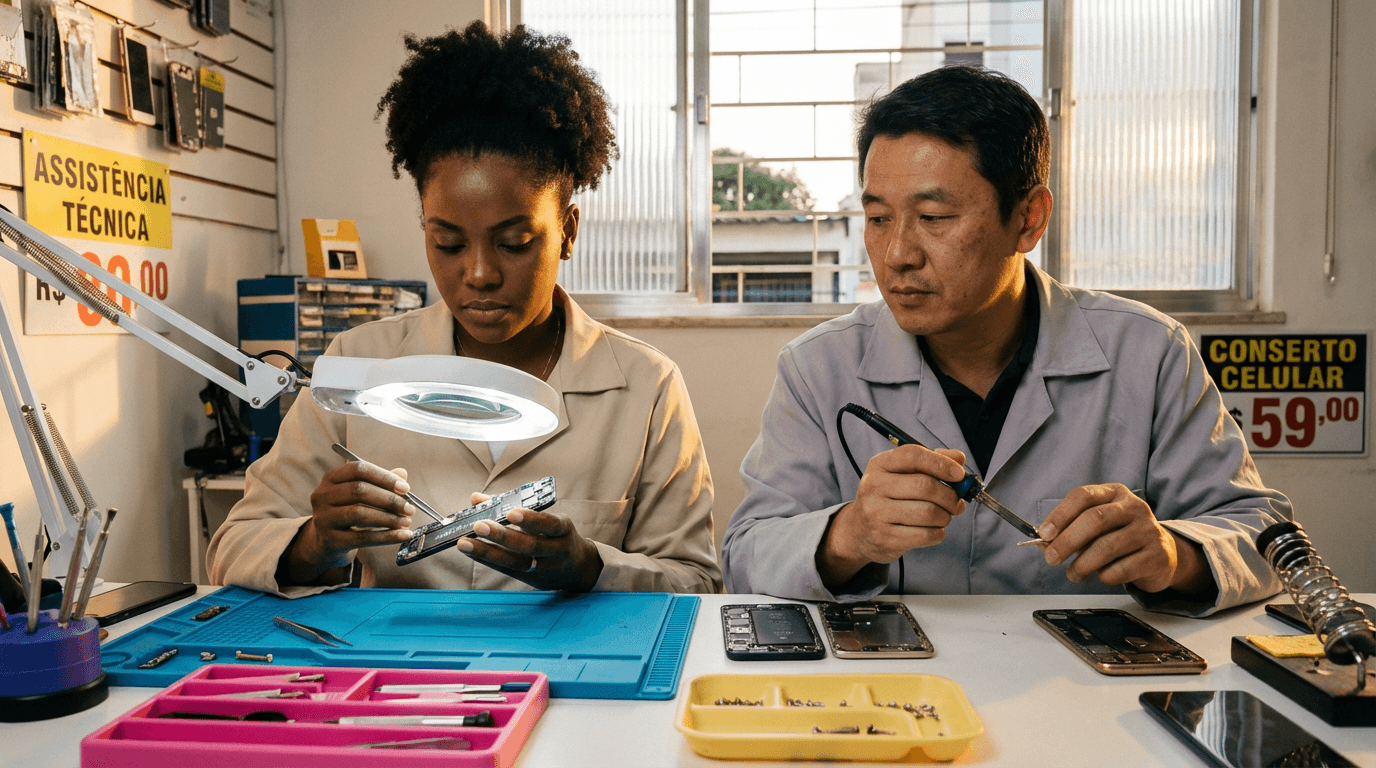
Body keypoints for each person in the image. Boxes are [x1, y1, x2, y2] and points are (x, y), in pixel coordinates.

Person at [721, 66, 1287, 616]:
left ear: (1029, 219)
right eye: (877, 219)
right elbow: (744, 557)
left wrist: (1174, 555)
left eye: (933, 217)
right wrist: (848, 536)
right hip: (892, 691)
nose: (897, 255)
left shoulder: (1150, 353)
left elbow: (1265, 536)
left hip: (1082, 693)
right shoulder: (819, 367)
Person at [208, 22, 722, 597]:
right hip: (397, 680)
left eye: (514, 243)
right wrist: (315, 540)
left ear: (568, 232)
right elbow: (233, 546)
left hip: (576, 680)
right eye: (448, 243)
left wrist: (591, 568)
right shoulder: (357, 366)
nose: (478, 273)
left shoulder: (646, 388)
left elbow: (697, 581)